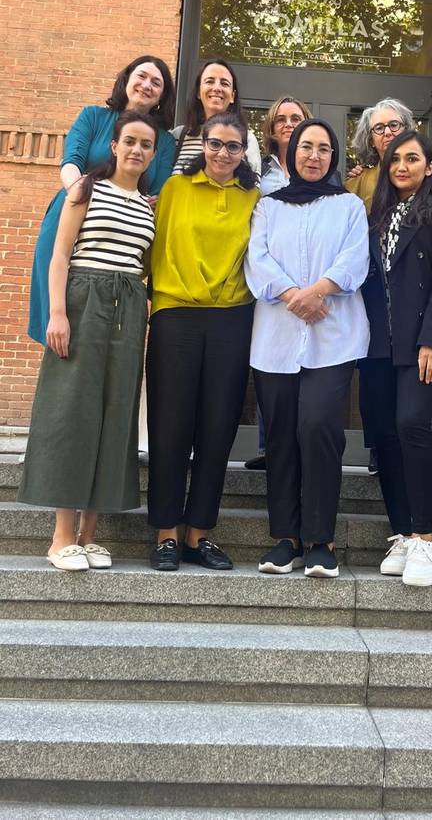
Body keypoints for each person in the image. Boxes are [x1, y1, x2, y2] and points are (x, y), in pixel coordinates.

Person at [19, 111, 158, 570]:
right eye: (130, 141)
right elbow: (59, 254)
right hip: (83, 299)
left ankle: (89, 534)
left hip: (129, 306)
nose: (137, 150)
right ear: (114, 146)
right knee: (73, 411)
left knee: (115, 412)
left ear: (153, 154)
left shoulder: (147, 206)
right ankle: (61, 537)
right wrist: (57, 313)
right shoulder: (86, 189)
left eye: (146, 144)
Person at [245, 119, 370, 579]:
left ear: (333, 157)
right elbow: (257, 260)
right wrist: (294, 296)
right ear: (292, 152)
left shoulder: (349, 205)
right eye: (306, 147)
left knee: (319, 429)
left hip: (333, 339)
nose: (313, 156)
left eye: (323, 149)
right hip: (276, 339)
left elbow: (355, 258)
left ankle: (321, 540)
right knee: (280, 436)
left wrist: (316, 291)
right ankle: (286, 538)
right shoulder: (268, 207)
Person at [146, 111, 260, 571]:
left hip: (232, 317)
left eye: (233, 147)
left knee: (218, 428)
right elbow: (157, 247)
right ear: (202, 145)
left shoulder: (255, 198)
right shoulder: (174, 190)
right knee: (171, 425)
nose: (222, 153)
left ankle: (199, 532)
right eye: (215, 144)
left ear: (243, 152)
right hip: (176, 314)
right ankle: (166, 533)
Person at [359, 130, 432, 587]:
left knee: (411, 425)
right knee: (383, 435)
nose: (402, 166)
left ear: (429, 167)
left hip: (421, 340)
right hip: (375, 342)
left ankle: (424, 537)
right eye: (395, 159)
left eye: (412, 158)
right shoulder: (374, 217)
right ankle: (401, 532)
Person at [28, 55, 176, 346]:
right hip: (68, 218)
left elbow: (155, 196)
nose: (147, 85)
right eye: (142, 76)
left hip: (120, 234)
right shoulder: (93, 117)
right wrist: (82, 199)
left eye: (156, 83)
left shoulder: (165, 141)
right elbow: (71, 163)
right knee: (58, 320)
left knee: (99, 335)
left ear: (162, 96)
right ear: (127, 78)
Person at [347, 97, 432, 475]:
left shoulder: (427, 176)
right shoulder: (357, 181)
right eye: (378, 128)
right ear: (370, 139)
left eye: (393, 126)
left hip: (413, 298)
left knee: (410, 406)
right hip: (371, 294)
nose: (386, 134)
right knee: (377, 390)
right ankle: (378, 449)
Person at [244, 95, 313, 471]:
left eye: (296, 117)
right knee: (271, 361)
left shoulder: (325, 173)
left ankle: (302, 445)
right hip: (272, 285)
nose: (288, 124)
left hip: (312, 291)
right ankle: (270, 445)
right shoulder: (259, 177)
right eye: (281, 119)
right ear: (271, 130)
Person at [171, 57, 261, 176]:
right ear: (198, 91)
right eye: (209, 81)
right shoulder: (178, 136)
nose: (217, 88)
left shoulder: (248, 139)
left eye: (224, 83)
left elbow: (253, 190)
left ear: (233, 96)